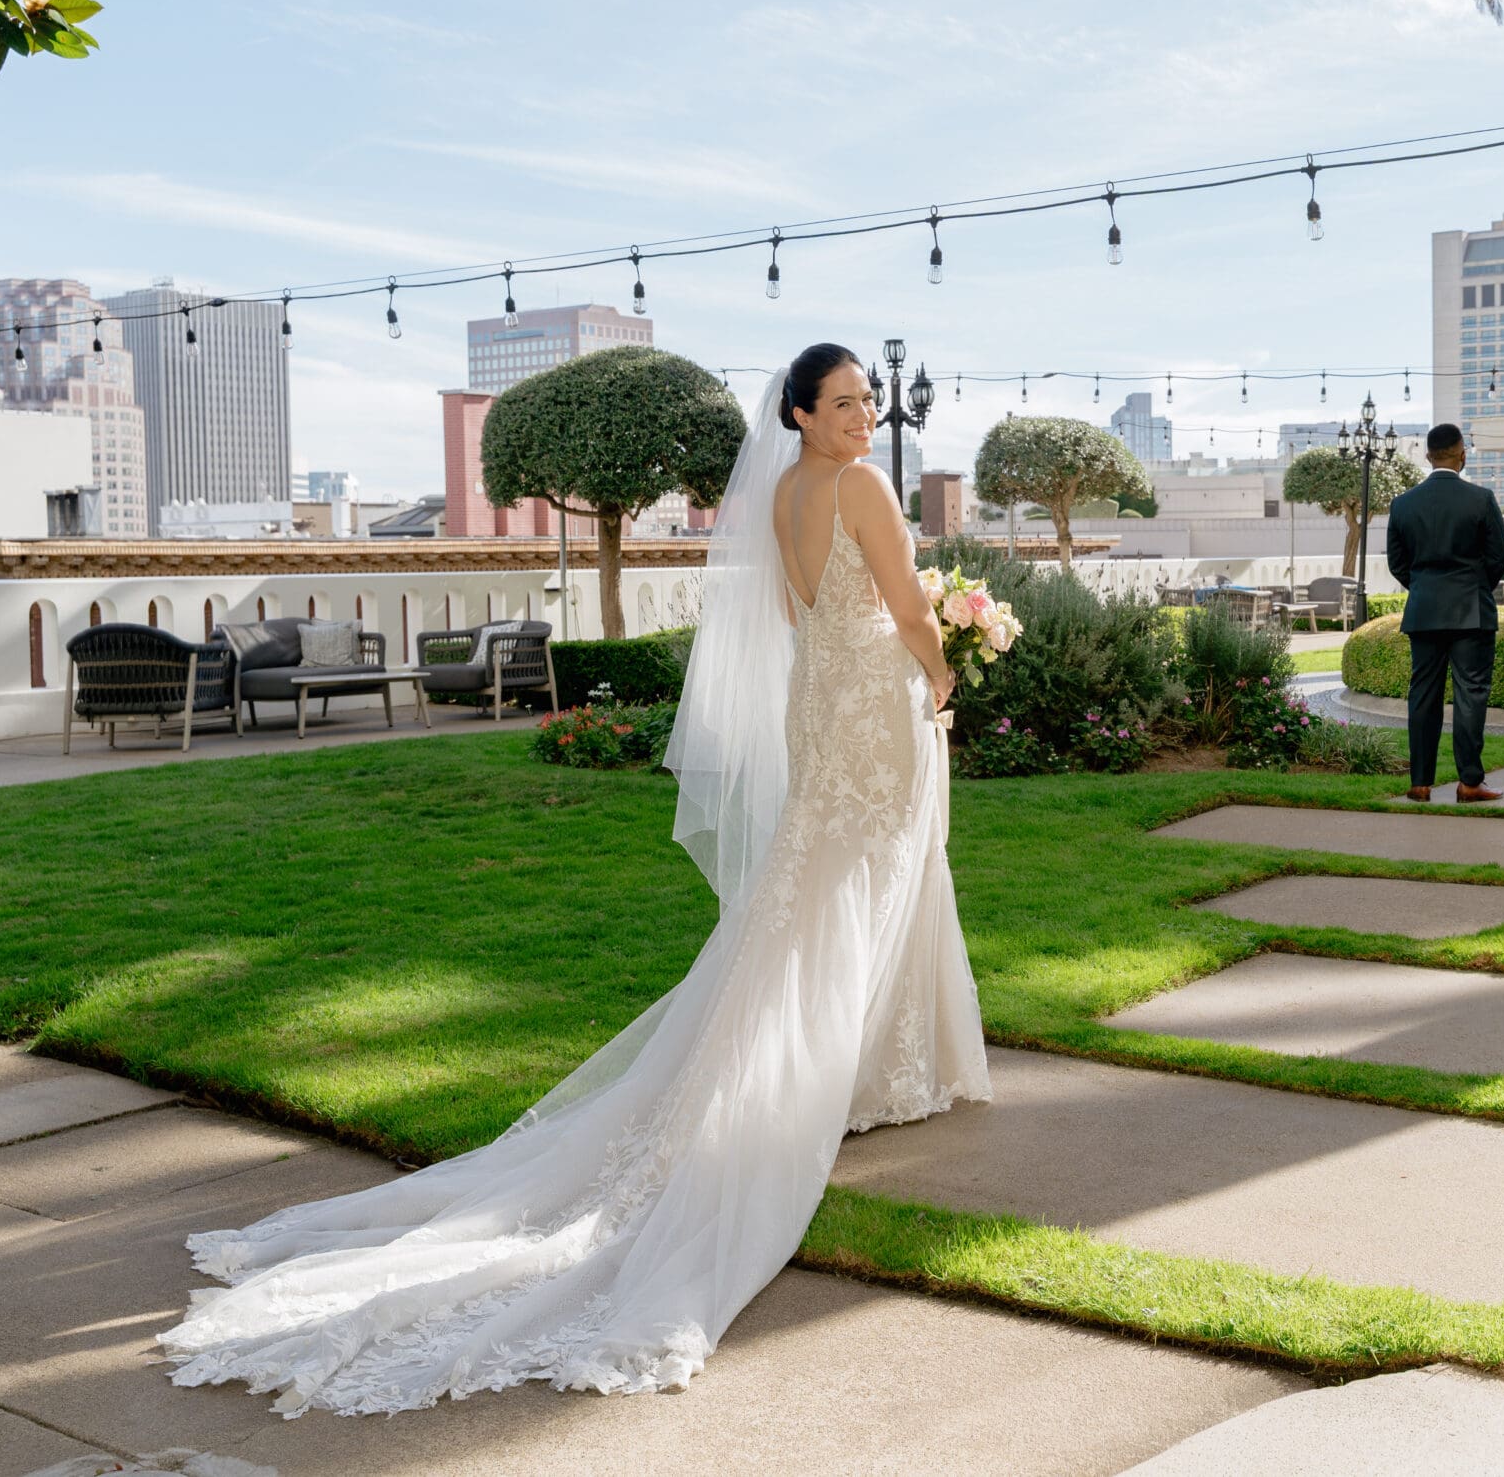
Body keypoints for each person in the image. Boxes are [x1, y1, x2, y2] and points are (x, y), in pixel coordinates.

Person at [159, 344, 990, 1416]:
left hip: (819, 702)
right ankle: (853, 1073)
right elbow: (904, 606)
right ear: (797, 412)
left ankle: (868, 1067)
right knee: (863, 885)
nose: (863, 416)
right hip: (873, 705)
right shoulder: (863, 485)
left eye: (867, 401)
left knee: (817, 894)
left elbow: (797, 615)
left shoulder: (782, 494)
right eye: (841, 402)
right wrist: (940, 668)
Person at [1383, 423, 1504, 804]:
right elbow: (1498, 557)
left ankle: (1420, 783)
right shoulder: (1481, 499)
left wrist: (1424, 589)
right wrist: (1474, 588)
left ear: (1427, 457)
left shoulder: (1402, 504)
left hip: (1422, 611)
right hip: (1471, 613)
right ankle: (1470, 783)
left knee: (1422, 695)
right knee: (1471, 695)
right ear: (1462, 455)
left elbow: (1397, 562)